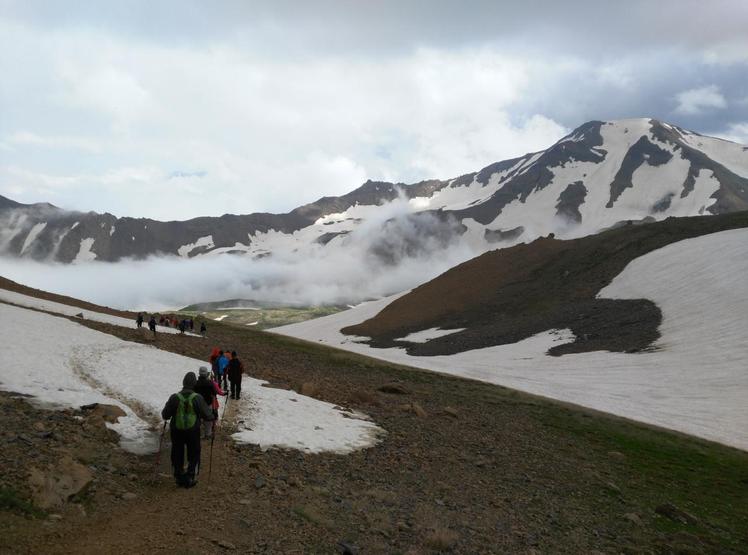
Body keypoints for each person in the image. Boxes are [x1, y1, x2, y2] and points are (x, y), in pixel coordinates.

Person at [161, 371, 214, 488]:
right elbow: (208, 415)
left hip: (176, 430)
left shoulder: (175, 397)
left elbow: (165, 415)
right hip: (193, 430)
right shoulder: (197, 398)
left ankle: (178, 476)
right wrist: (212, 415)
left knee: (177, 451)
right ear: (194, 384)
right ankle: (190, 476)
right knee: (194, 451)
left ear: (183, 383)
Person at [194, 367, 223, 439]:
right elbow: (214, 393)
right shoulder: (210, 383)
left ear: (199, 373)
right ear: (206, 373)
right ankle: (208, 434)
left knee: (198, 419)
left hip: (198, 404)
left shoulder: (196, 383)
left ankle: (196, 433)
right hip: (208, 403)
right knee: (208, 420)